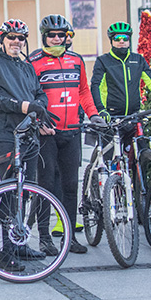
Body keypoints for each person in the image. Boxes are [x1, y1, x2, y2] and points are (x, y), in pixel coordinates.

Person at [0, 19, 56, 271]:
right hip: (4, 134)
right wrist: (22, 106)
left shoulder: (26, 66)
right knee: (10, 192)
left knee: (26, 190)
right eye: (11, 37)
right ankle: (5, 254)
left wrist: (39, 108)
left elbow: (38, 92)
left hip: (28, 134)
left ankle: (18, 244)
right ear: (2, 39)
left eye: (21, 38)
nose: (16, 42)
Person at [29, 14, 105, 255]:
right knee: (46, 185)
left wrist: (93, 115)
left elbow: (83, 91)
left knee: (71, 186)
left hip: (72, 132)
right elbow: (29, 96)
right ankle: (44, 238)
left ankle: (70, 237)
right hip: (46, 133)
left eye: (61, 35)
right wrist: (37, 121)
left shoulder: (76, 60)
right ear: (44, 37)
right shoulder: (34, 61)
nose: (57, 39)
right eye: (52, 35)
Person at [90, 22, 151, 122]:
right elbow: (95, 86)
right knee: (110, 137)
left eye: (125, 38)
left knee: (139, 138)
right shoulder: (103, 61)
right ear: (111, 40)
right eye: (117, 38)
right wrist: (100, 109)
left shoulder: (138, 60)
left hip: (134, 116)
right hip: (111, 116)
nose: (122, 41)